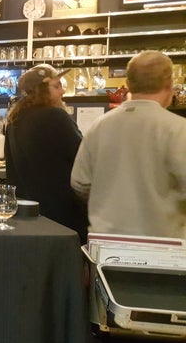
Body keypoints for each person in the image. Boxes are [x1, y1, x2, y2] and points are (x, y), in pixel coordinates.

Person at [71, 51, 186, 238]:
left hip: (105, 243)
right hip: (164, 249)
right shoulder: (178, 128)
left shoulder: (98, 126)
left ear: (128, 85)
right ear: (170, 85)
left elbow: (80, 182)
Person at [5, 64, 88, 243]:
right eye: (57, 86)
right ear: (41, 90)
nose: (62, 91)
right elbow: (84, 159)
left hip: (27, 214)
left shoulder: (14, 120)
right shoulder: (56, 116)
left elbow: (11, 170)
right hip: (62, 217)